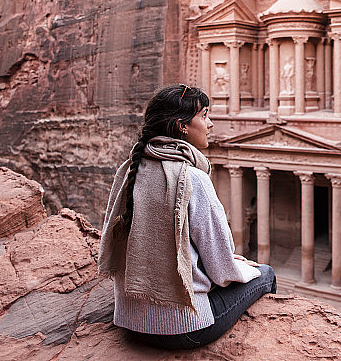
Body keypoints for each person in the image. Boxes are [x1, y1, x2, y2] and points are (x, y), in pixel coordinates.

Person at [97, 84, 277, 349]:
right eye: (204, 116)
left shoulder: (130, 169)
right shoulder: (192, 178)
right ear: (182, 126)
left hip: (131, 323)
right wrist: (238, 265)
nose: (210, 124)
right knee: (265, 274)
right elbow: (222, 271)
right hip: (184, 329)